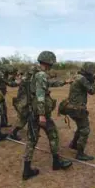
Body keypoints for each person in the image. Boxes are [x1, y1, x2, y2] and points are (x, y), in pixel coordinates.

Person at [22, 51, 72, 180]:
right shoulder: (41, 75)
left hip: (33, 112)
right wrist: (42, 115)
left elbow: (48, 84)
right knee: (53, 135)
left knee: (32, 141)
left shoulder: (35, 74)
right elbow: (40, 95)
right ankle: (56, 162)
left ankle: (26, 170)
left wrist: (65, 82)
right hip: (40, 113)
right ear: (49, 62)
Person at [9, 67, 71, 141]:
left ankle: (31, 132)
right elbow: (25, 93)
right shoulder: (27, 81)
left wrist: (64, 82)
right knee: (24, 119)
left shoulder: (32, 79)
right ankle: (14, 133)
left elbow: (50, 83)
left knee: (29, 118)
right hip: (26, 103)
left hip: (29, 102)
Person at [61, 62, 95, 161]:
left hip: (70, 107)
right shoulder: (82, 79)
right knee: (85, 129)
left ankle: (74, 144)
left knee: (80, 127)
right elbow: (92, 91)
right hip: (77, 109)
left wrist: (94, 79)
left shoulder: (77, 76)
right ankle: (80, 153)